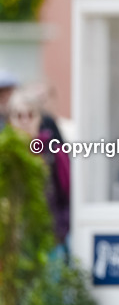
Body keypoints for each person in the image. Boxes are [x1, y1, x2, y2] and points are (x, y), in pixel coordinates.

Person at [8, 87, 70, 257]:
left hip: (49, 240)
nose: (25, 121)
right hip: (12, 243)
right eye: (19, 116)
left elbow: (67, 196)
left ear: (39, 118)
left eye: (30, 115)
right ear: (11, 120)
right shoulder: (5, 155)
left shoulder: (54, 153)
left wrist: (60, 232)